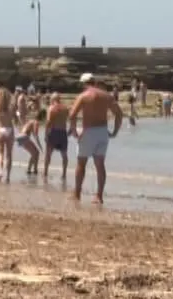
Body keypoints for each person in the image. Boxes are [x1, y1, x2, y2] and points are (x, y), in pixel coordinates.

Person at [68, 73, 122, 204]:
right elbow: (119, 114)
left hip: (88, 131)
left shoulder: (83, 96)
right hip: (102, 132)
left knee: (81, 163)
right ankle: (99, 196)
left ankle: (77, 194)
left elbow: (72, 115)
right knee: (100, 165)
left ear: (84, 84)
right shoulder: (106, 96)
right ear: (95, 82)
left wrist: (75, 132)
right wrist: (114, 131)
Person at [41, 92, 72, 183]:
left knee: (48, 154)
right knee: (64, 155)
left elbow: (49, 122)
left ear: (53, 99)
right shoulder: (65, 108)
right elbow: (71, 118)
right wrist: (70, 129)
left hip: (54, 132)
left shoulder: (51, 108)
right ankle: (64, 174)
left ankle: (45, 172)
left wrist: (46, 134)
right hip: (63, 132)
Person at [0, 81, 16, 182]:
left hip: (0, 130)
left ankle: (0, 171)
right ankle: (8, 177)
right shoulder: (11, 107)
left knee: (0, 153)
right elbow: (15, 118)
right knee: (9, 155)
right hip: (9, 129)